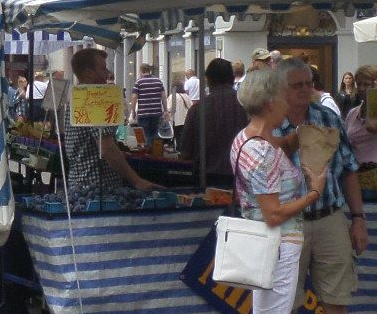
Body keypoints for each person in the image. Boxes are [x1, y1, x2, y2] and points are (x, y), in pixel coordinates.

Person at [229, 66, 326, 314]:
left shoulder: (248, 139)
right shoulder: (261, 151)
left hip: (272, 246)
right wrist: (312, 193)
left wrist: (287, 144)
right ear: (272, 102)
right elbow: (273, 213)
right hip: (278, 245)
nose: (291, 100)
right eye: (285, 95)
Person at [267, 59, 371, 314]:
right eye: (296, 85)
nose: (305, 90)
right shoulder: (268, 122)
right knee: (286, 303)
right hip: (287, 223)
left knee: (337, 300)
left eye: (308, 83)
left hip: (329, 217)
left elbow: (349, 171)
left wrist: (358, 219)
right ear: (281, 88)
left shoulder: (328, 118)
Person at [57, 48, 157, 203]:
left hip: (78, 184)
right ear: (89, 72)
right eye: (103, 68)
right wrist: (136, 180)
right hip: (97, 189)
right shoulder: (93, 99)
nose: (107, 73)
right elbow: (107, 148)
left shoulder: (78, 98)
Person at [180, 58, 244, 188]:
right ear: (232, 79)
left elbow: (186, 150)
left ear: (209, 81)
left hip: (206, 178)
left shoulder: (197, 110)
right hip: (241, 177)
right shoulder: (246, 106)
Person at [132, 63, 166, 150]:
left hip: (143, 113)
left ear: (141, 71)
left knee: (144, 135)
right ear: (149, 70)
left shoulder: (139, 82)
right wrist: (165, 110)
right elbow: (163, 97)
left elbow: (134, 97)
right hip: (156, 112)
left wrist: (133, 111)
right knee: (155, 133)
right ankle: (155, 152)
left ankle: (147, 153)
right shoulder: (158, 81)